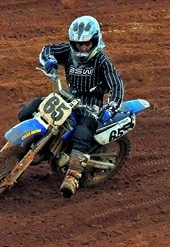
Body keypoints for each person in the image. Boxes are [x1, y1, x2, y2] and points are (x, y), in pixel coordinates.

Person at [35, 15, 125, 198]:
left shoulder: (102, 60)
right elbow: (48, 49)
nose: (83, 48)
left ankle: (73, 176)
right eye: (79, 44)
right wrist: (50, 63)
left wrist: (111, 107)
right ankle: (26, 147)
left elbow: (117, 86)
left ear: (95, 40)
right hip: (68, 97)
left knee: (82, 132)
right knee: (33, 107)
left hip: (90, 105)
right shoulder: (69, 51)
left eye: (87, 44)